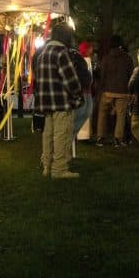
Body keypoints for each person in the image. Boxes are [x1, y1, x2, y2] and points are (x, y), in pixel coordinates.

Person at [34, 21, 84, 179]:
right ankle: (59, 169)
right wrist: (78, 94)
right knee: (61, 134)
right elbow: (71, 80)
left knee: (48, 134)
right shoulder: (61, 53)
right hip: (61, 102)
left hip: (46, 102)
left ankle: (47, 166)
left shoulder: (43, 53)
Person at [95, 35, 133, 147]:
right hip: (123, 91)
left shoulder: (106, 58)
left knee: (102, 114)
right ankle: (118, 138)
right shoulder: (127, 58)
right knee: (121, 116)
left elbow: (102, 75)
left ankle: (100, 137)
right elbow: (130, 75)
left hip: (107, 91)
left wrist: (101, 89)